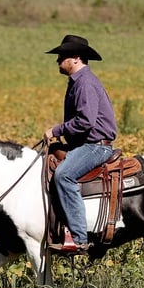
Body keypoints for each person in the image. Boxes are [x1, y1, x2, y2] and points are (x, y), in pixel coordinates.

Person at [44, 34, 117, 252]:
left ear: (75, 58)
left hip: (95, 145)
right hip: (85, 143)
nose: (58, 60)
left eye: (61, 56)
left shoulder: (85, 83)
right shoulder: (78, 82)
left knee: (63, 175)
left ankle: (79, 238)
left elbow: (86, 121)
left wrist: (56, 130)